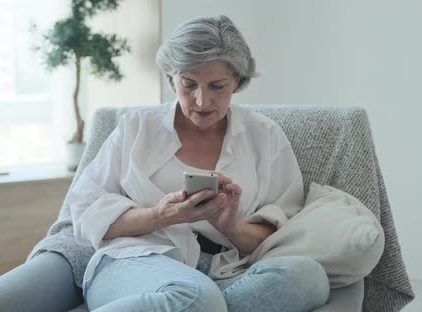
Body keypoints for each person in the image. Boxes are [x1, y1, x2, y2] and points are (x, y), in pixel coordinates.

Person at [71, 15, 330, 312]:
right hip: (136, 261)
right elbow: (86, 215)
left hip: (226, 271)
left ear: (237, 81)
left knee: (309, 278)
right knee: (198, 297)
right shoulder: (137, 128)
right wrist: (163, 215)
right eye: (188, 85)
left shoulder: (265, 135)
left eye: (217, 86)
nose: (202, 101)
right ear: (172, 79)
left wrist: (231, 226)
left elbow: (279, 236)